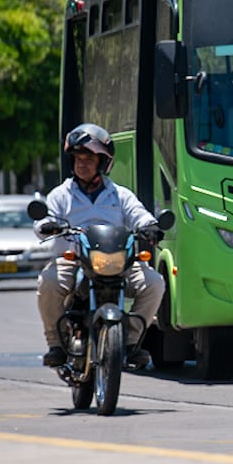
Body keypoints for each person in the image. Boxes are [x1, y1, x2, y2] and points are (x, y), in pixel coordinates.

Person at [34, 123, 165, 369]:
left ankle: (130, 342)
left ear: (103, 162)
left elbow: (139, 214)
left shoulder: (120, 194)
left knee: (154, 283)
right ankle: (56, 344)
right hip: (73, 259)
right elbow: (45, 218)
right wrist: (47, 225)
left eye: (89, 158)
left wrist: (151, 226)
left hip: (116, 258)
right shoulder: (60, 195)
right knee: (48, 282)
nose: (82, 163)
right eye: (78, 158)